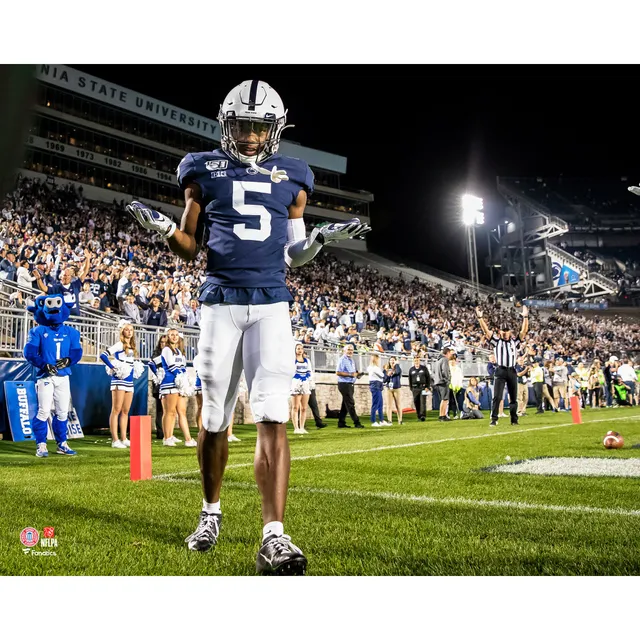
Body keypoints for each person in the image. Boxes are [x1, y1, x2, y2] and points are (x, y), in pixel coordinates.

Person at [126, 79, 370, 575]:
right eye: (242, 126)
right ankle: (210, 513)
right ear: (226, 125)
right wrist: (163, 230)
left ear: (276, 129)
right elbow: (190, 245)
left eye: (260, 128)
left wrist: (321, 238)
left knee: (273, 415)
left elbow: (293, 254)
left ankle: (274, 536)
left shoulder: (295, 176)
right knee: (214, 414)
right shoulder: (202, 170)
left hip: (272, 304)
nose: (252, 137)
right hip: (219, 302)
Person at [23, 293, 83, 457]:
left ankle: (61, 443)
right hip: (45, 376)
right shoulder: (38, 331)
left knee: (63, 412)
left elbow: (77, 351)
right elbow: (29, 353)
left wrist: (69, 360)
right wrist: (44, 364)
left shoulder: (71, 332)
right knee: (43, 411)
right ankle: (41, 444)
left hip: (63, 376)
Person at [475, 304, 529, 427]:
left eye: (506, 330)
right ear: (500, 331)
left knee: (513, 397)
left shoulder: (514, 341)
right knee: (497, 396)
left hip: (512, 370)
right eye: (503, 331)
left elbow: (524, 331)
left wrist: (525, 317)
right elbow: (486, 331)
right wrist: (480, 318)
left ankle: (514, 420)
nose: (505, 333)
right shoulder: (496, 341)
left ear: (510, 331)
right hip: (500, 370)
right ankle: (494, 419)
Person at [100, 320, 142, 448]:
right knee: (116, 409)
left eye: (131, 329)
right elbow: (103, 355)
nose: (129, 331)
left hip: (129, 381)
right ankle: (115, 439)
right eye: (126, 329)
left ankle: (124, 438)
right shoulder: (119, 344)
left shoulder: (133, 346)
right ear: (122, 331)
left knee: (125, 410)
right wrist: (113, 367)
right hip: (119, 380)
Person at [158, 329, 197, 448]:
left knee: (181, 411)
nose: (174, 337)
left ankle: (188, 439)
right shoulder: (166, 350)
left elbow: (183, 368)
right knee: (170, 412)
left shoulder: (179, 352)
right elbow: (171, 366)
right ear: (168, 336)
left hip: (179, 384)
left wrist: (185, 381)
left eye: (176, 335)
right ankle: (167, 437)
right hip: (169, 383)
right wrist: (182, 379)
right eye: (172, 335)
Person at [336, 343, 365, 429]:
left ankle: (341, 422)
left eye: (351, 350)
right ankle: (356, 422)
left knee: (345, 404)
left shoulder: (351, 360)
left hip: (350, 384)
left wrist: (357, 374)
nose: (350, 351)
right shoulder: (342, 360)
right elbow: (338, 372)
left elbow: (353, 372)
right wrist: (351, 374)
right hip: (344, 384)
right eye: (348, 349)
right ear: (344, 350)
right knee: (350, 403)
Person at [291, 343, 311, 435]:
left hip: (305, 383)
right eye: (298, 348)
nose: (300, 350)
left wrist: (308, 379)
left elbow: (309, 371)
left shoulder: (307, 360)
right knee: (295, 407)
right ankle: (296, 428)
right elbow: (291, 372)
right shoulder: (292, 360)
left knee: (304, 408)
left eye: (301, 348)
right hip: (296, 383)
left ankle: (302, 427)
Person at [433, 347, 455, 422]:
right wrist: (447, 379)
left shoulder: (438, 360)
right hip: (443, 382)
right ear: (447, 353)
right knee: (445, 399)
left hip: (438, 381)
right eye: (450, 353)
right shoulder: (445, 359)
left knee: (443, 399)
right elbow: (445, 371)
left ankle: (442, 415)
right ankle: (442, 415)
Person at [408, 356, 431, 421]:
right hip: (415, 388)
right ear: (413, 361)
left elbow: (428, 378)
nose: (416, 362)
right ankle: (418, 415)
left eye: (417, 360)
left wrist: (427, 386)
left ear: (419, 361)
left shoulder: (424, 369)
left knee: (422, 402)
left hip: (423, 387)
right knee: (416, 402)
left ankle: (423, 416)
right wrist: (411, 388)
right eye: (415, 361)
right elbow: (409, 379)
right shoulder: (411, 369)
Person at [367, 353, 386, 426]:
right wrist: (385, 371)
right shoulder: (374, 368)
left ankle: (381, 420)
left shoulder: (373, 367)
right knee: (375, 403)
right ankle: (373, 421)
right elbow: (382, 375)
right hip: (375, 385)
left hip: (378, 385)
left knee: (380, 403)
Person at [383, 356, 403, 425]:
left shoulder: (398, 368)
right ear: (389, 361)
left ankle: (400, 420)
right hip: (389, 389)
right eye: (391, 360)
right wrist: (388, 375)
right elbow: (384, 380)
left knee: (398, 405)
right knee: (389, 405)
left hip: (396, 388)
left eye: (393, 360)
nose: (392, 361)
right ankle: (389, 420)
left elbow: (398, 372)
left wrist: (397, 365)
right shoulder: (386, 370)